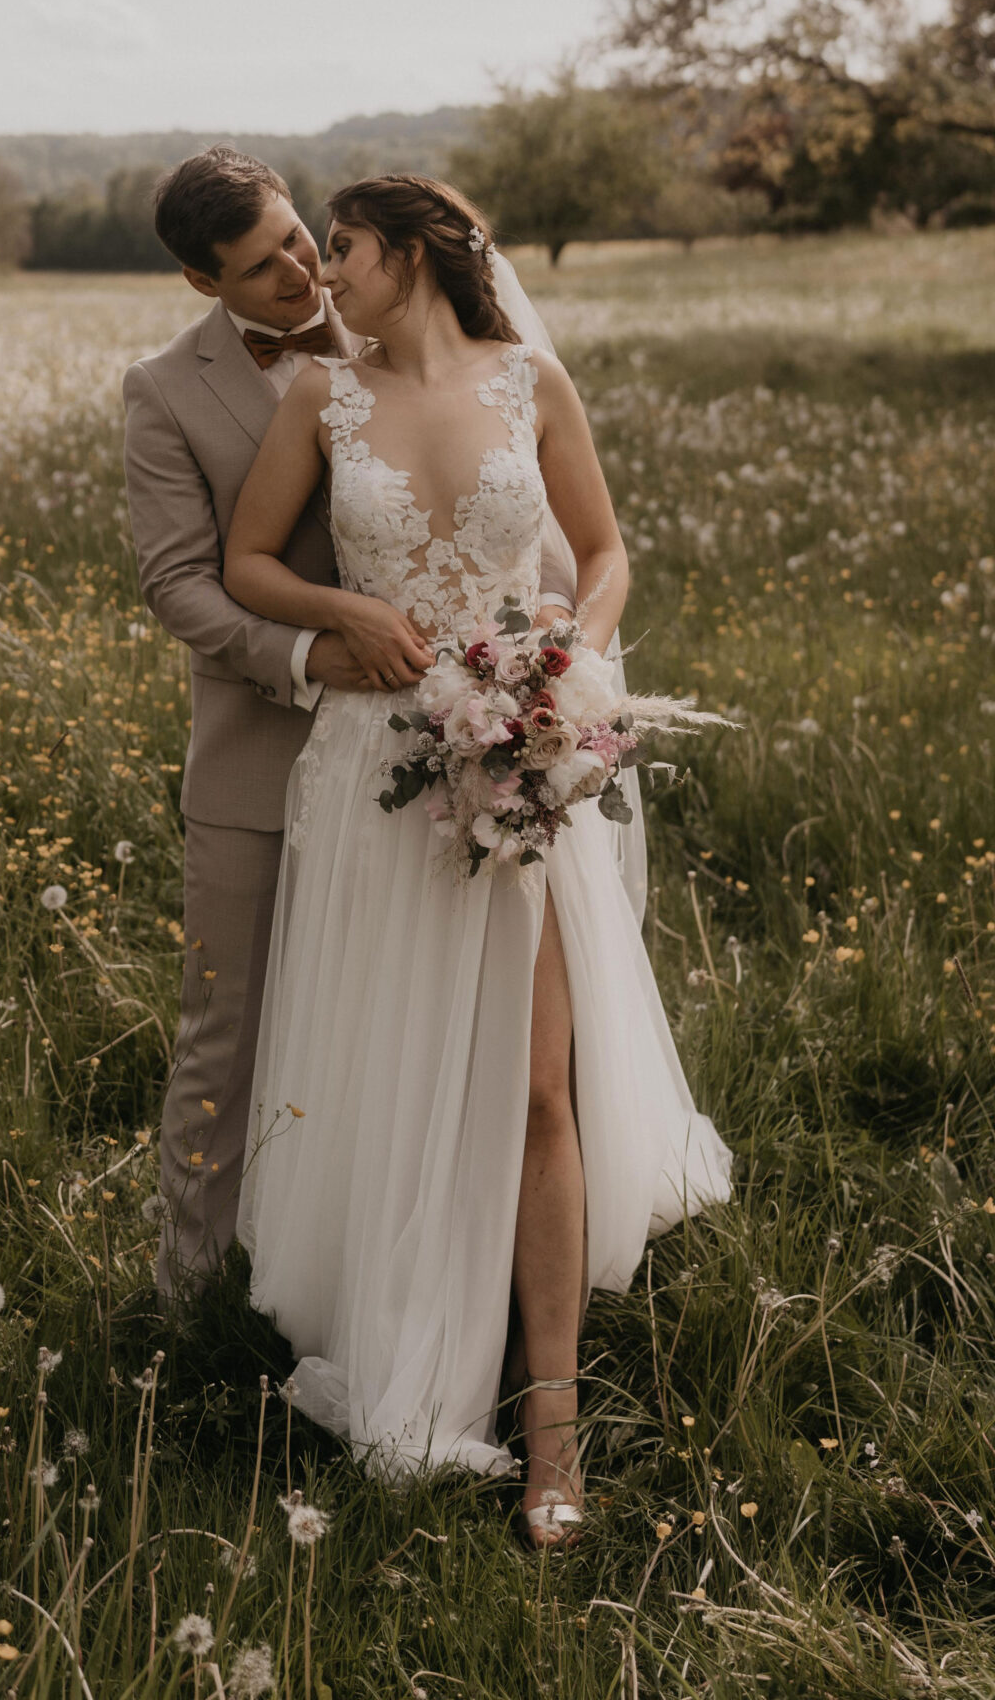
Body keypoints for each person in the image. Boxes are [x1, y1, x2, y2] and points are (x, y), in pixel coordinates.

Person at [224, 174, 732, 1545]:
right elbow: (246, 562)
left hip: (523, 745)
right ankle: (413, 1339)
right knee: (399, 1064)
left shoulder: (530, 385)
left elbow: (607, 548)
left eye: (339, 247)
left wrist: (568, 657)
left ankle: (553, 1437)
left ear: (411, 251)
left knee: (534, 1088)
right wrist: (343, 605)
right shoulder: (319, 400)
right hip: (383, 767)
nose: (320, 270)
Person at [121, 148, 382, 1298]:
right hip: (255, 759)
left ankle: (356, 1285)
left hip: (410, 748)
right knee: (224, 1033)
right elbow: (177, 581)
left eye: (294, 236)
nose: (297, 269)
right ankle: (192, 1293)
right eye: (259, 263)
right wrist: (303, 656)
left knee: (390, 1020)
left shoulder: (395, 334)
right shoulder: (166, 389)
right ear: (200, 282)